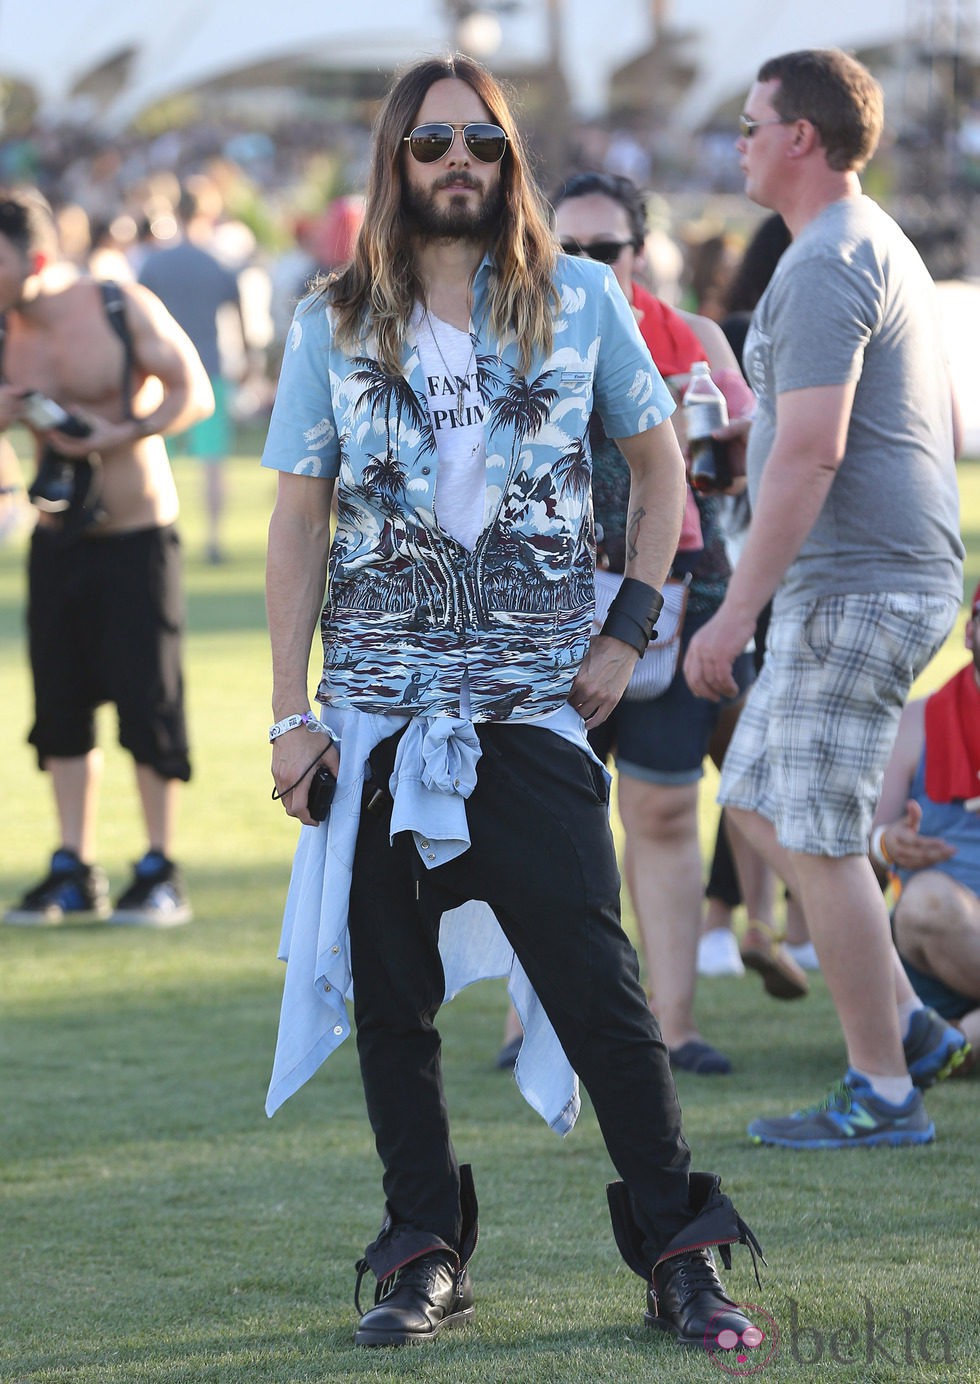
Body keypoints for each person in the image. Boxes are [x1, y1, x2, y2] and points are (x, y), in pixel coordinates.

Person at [263, 55, 763, 1354]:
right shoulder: (331, 319)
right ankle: (422, 1253)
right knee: (393, 1003)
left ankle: (680, 1255)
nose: (458, 163)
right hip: (372, 718)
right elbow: (297, 516)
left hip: (530, 714)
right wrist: (287, 714)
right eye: (431, 145)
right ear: (396, 162)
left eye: (480, 141)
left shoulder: (585, 302)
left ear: (508, 158)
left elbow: (662, 479)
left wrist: (629, 628)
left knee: (601, 994)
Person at [684, 49, 967, 1148]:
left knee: (812, 828)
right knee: (755, 796)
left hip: (853, 584)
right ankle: (908, 1028)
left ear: (800, 135)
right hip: (873, 575)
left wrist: (732, 608)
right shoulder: (863, 239)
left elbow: (809, 454)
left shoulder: (819, 262)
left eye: (753, 123)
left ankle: (882, 1090)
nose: (741, 142)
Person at [550, 170, 766, 1075]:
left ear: (641, 254)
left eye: (608, 249)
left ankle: (671, 1026)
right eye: (570, 249)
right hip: (549, 610)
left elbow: (740, 474)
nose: (590, 265)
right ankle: (541, 1032)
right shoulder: (512, 334)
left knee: (667, 810)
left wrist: (711, 426)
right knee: (550, 823)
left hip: (677, 598)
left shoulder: (697, 338)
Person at [0, 187, 213, 927]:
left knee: (147, 706)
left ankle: (158, 867)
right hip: (58, 538)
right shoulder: (4, 329)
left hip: (138, 536)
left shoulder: (118, 305)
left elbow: (197, 393)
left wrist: (117, 430)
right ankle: (72, 865)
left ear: (34, 258)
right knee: (59, 708)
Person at [870, 582, 980, 1072]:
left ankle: (953, 1042)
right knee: (927, 900)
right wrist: (890, 843)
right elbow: (865, 844)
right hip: (940, 940)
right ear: (971, 632)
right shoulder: (918, 719)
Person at [139, 183, 245, 563]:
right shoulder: (217, 262)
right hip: (209, 370)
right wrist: (247, 358)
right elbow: (240, 315)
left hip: (162, 373)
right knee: (212, 462)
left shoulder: (154, 262)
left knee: (157, 457)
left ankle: (162, 535)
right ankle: (213, 541)